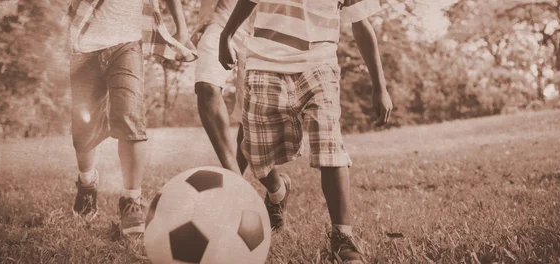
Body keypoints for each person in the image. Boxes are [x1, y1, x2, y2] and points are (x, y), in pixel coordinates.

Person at [219, 0, 393, 262]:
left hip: (318, 64)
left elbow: (361, 23)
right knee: (255, 153)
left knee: (329, 142)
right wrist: (226, 35)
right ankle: (278, 190)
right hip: (264, 62)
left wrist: (380, 86)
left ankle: (342, 236)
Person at [65, 0, 196, 236]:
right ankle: (87, 183)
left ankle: (132, 199)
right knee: (84, 128)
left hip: (128, 44)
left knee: (130, 115)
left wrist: (182, 28)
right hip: (85, 43)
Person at [192, 0, 291, 231]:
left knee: (251, 121)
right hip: (221, 18)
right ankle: (236, 187)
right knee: (206, 86)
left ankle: (277, 190)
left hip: (268, 24)